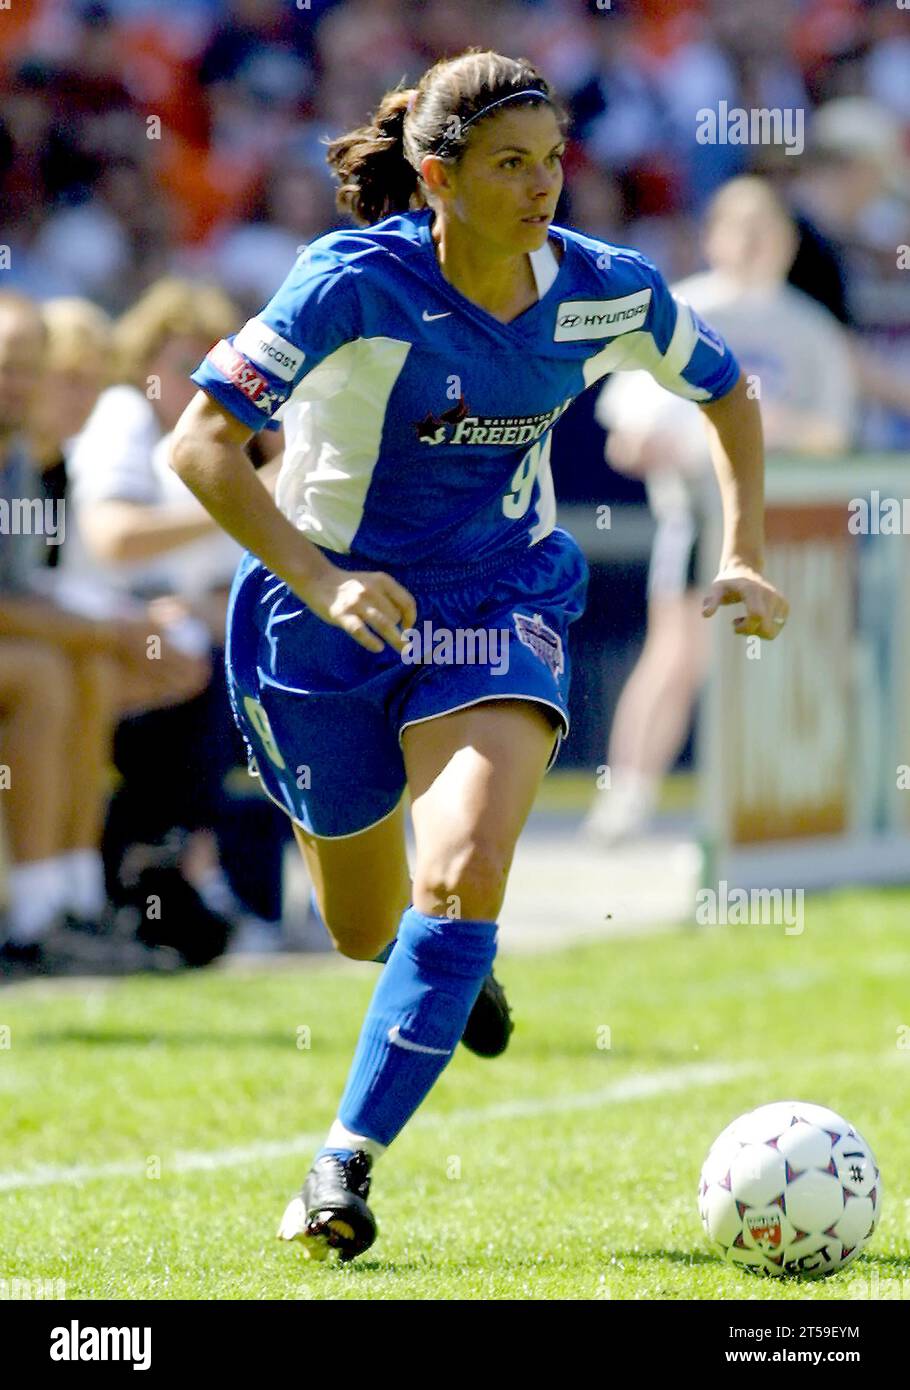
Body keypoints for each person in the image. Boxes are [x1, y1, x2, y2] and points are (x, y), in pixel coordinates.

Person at [169, 49, 788, 1263]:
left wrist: (746, 544)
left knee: (460, 872)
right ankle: (446, 974)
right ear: (436, 176)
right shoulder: (346, 281)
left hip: (498, 600)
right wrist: (324, 577)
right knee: (367, 929)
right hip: (321, 614)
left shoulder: (605, 290)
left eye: (554, 159)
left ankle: (340, 1166)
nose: (543, 185)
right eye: (510, 164)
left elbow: (729, 391)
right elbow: (200, 446)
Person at [584, 176, 856, 845]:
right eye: (743, 229)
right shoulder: (681, 311)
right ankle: (630, 795)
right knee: (677, 657)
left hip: (790, 528)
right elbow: (628, 433)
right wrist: (682, 444)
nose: (758, 246)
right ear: (715, 237)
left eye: (771, 233)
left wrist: (773, 427)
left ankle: (790, 810)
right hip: (698, 521)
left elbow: (834, 433)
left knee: (794, 667)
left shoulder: (810, 326)